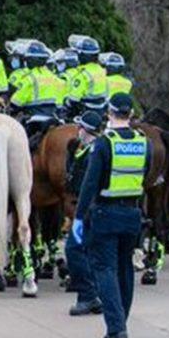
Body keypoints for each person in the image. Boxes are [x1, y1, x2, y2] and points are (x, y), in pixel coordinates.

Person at [71, 93, 150, 338]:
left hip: (105, 213)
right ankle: (120, 323)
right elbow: (145, 175)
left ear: (109, 112)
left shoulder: (105, 143)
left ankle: (117, 329)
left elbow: (90, 183)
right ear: (130, 113)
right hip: (132, 214)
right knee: (125, 270)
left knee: (105, 270)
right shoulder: (143, 141)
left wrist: (79, 217)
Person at [65, 111, 103, 317]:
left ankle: (87, 296)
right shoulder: (86, 149)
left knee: (73, 249)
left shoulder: (92, 152)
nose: (77, 131)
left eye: (80, 127)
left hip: (89, 208)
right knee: (91, 253)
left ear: (86, 130)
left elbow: (86, 183)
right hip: (96, 208)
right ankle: (94, 295)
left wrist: (80, 214)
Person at [9, 41, 65, 145]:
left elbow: (16, 102)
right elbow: (60, 104)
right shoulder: (56, 79)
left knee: (19, 145)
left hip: (34, 120)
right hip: (53, 119)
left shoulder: (29, 78)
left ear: (30, 60)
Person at [65, 35, 109, 118]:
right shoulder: (102, 71)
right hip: (101, 112)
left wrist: (66, 104)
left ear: (82, 56)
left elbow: (73, 100)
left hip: (85, 113)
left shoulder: (82, 74)